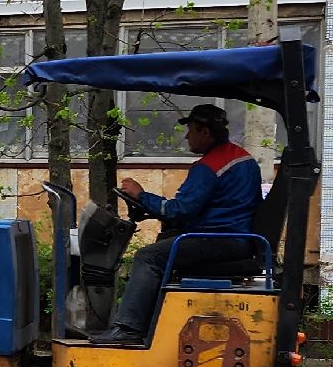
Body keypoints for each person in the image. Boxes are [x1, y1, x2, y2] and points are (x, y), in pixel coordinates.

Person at [90, 103, 262, 346]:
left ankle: (129, 328)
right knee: (164, 244)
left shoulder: (209, 167)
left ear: (205, 132)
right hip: (237, 237)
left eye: (191, 130)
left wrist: (141, 196)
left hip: (219, 239)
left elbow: (180, 210)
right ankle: (150, 326)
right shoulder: (242, 159)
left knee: (148, 257)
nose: (187, 136)